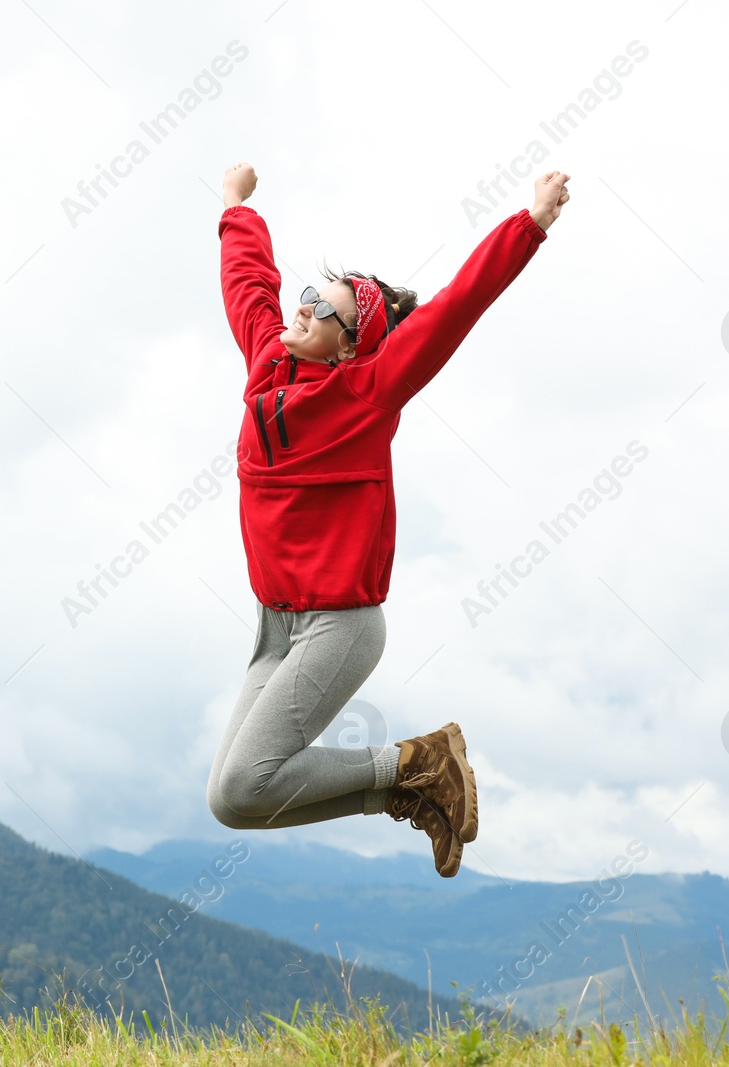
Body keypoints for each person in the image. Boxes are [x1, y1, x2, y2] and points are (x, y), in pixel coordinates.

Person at [205, 161, 570, 877]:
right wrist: (235, 207)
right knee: (232, 798)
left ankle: (414, 764)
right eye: (308, 296)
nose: (302, 309)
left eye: (323, 309)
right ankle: (413, 780)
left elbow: (457, 307)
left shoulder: (367, 394)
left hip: (340, 625)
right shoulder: (267, 364)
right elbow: (248, 282)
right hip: (276, 625)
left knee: (249, 780)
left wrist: (529, 225)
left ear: (349, 346)